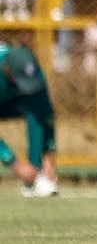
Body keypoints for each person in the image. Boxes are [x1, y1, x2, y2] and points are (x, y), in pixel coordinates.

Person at [0, 42, 58, 197]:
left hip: (11, 102)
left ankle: (35, 175)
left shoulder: (35, 73)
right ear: (7, 70)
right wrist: (14, 164)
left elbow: (47, 115)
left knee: (35, 110)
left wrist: (49, 159)